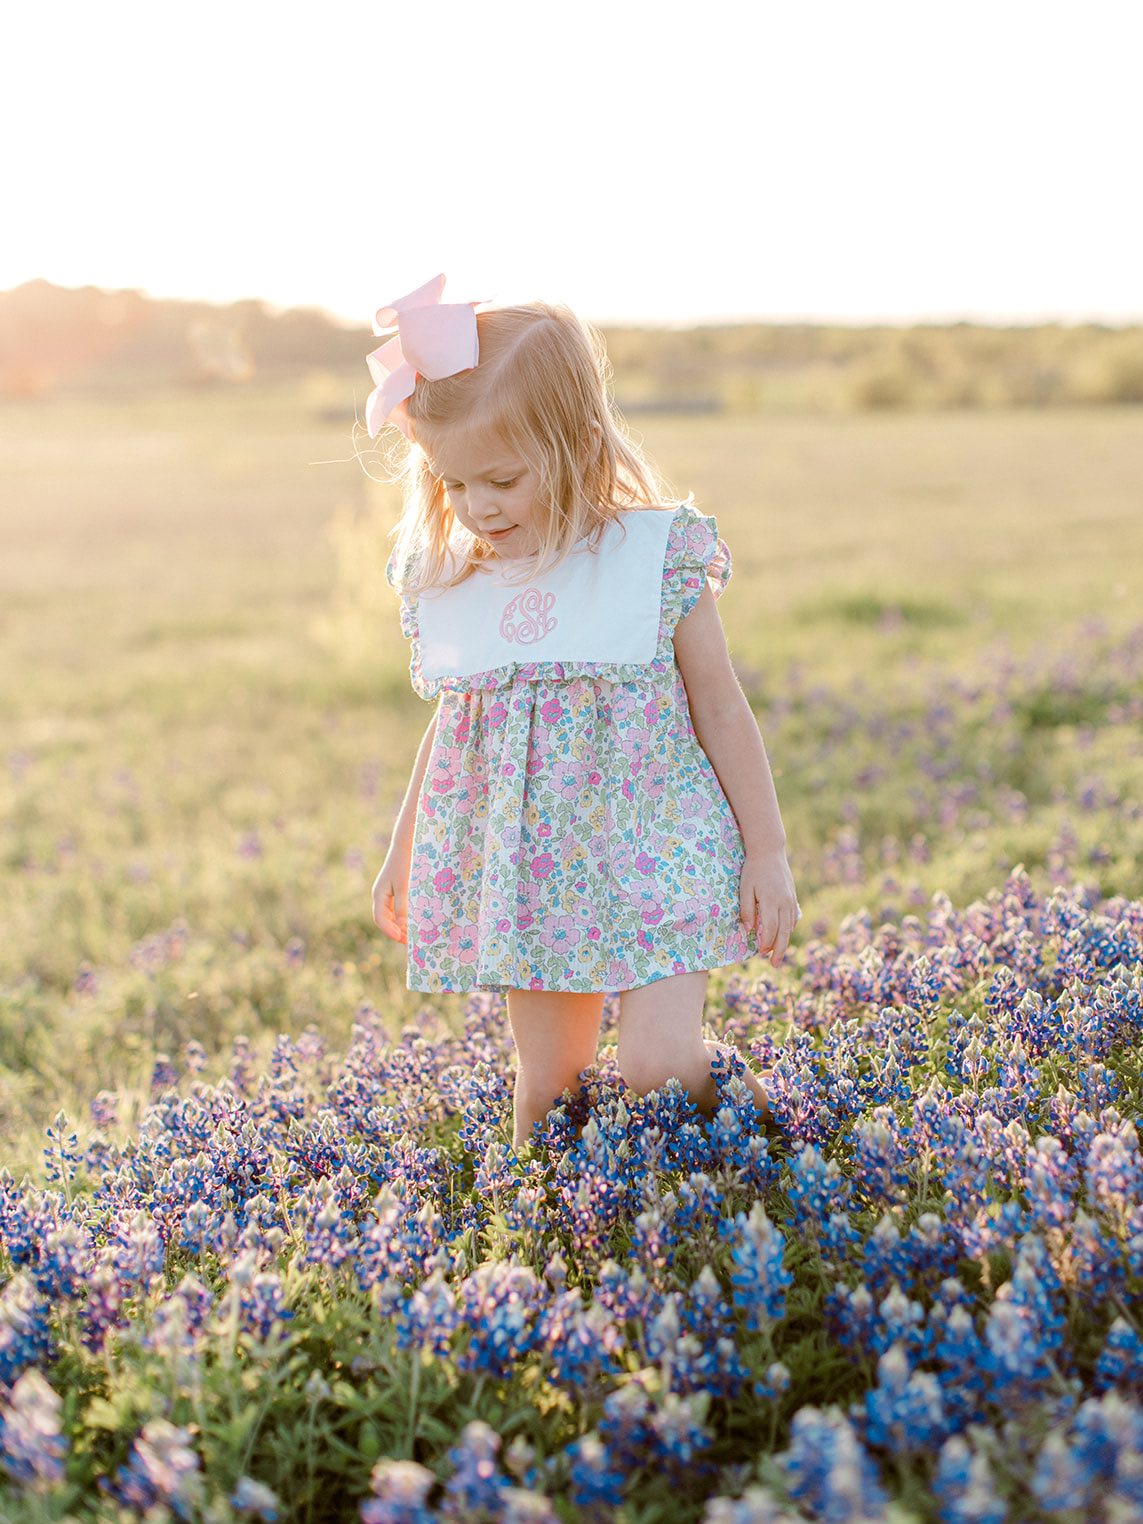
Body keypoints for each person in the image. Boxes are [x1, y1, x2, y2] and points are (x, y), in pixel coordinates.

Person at [367, 275, 800, 1153]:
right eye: (453, 483)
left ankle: (767, 1141)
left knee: (660, 1066)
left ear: (575, 443)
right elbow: (454, 725)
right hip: (536, 875)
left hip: (655, 845)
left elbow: (720, 708)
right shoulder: (462, 580)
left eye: (501, 478)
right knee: (547, 1090)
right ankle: (545, 1244)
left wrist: (767, 850)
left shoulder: (650, 556)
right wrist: (400, 850)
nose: (479, 506)